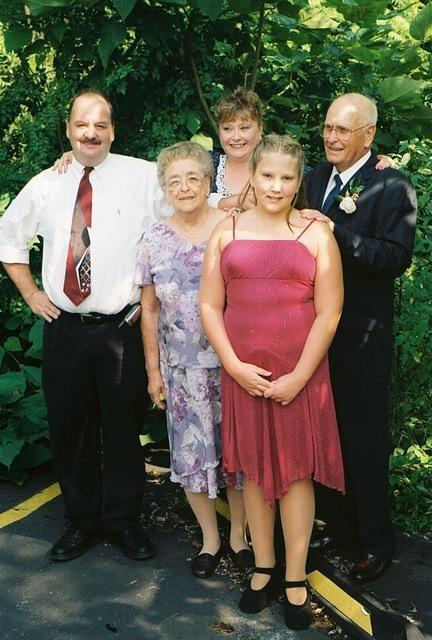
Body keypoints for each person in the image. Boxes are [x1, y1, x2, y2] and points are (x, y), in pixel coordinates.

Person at [0, 89, 169, 562]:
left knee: (122, 430)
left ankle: (123, 522)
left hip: (123, 327)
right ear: (69, 130)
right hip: (66, 329)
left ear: (113, 130)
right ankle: (82, 522)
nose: (90, 133)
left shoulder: (144, 177)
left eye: (100, 125)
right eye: (81, 125)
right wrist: (32, 293)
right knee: (70, 429)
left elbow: (191, 204)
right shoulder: (47, 184)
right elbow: (8, 238)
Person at [200, 134, 345, 629]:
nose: (276, 186)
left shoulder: (316, 234)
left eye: (287, 177)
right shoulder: (228, 229)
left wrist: (300, 377)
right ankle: (263, 569)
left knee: (297, 473)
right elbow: (208, 305)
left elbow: (330, 313)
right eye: (267, 175)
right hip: (244, 375)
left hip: (300, 375)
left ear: (298, 180)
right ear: (253, 175)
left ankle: (296, 578)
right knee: (257, 475)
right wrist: (234, 366)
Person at [302, 93, 417, 582]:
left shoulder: (392, 184)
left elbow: (395, 258)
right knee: (322, 434)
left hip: (361, 336)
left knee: (363, 439)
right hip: (309, 332)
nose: (332, 137)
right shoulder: (309, 178)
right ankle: (341, 525)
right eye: (328, 127)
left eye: (343, 130)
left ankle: (375, 540)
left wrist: (337, 235)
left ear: (368, 135)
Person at [136, 141, 253, 578]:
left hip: (234, 364)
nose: (184, 187)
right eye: (174, 181)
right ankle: (210, 539)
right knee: (190, 457)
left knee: (238, 457)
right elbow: (150, 309)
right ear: (164, 189)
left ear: (209, 182)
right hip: (181, 370)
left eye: (193, 178)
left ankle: (240, 535)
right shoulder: (153, 238)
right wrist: (153, 371)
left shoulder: (235, 226)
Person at [209, 86, 397, 212]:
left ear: (260, 129)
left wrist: (372, 163)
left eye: (244, 128)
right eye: (227, 128)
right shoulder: (206, 166)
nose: (235, 137)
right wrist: (226, 202)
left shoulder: (299, 174)